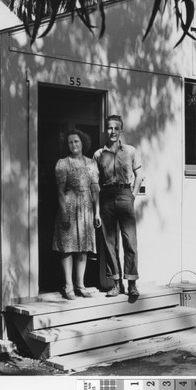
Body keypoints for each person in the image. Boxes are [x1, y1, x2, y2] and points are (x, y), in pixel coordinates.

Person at [93, 115, 144, 297]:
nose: (112, 131)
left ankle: (131, 283)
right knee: (109, 242)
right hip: (106, 196)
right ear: (106, 130)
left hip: (124, 195)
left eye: (116, 128)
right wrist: (97, 210)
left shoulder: (130, 151)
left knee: (129, 240)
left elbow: (139, 175)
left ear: (121, 130)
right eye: (109, 128)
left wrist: (133, 195)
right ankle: (116, 283)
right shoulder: (99, 154)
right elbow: (95, 183)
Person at [52, 129, 101, 300]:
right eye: (70, 142)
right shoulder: (63, 163)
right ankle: (68, 286)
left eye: (76, 141)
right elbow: (59, 191)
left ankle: (80, 284)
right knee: (68, 247)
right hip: (69, 206)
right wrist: (64, 212)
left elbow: (95, 189)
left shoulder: (91, 163)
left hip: (87, 208)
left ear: (83, 143)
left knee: (83, 248)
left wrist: (97, 213)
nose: (73, 145)